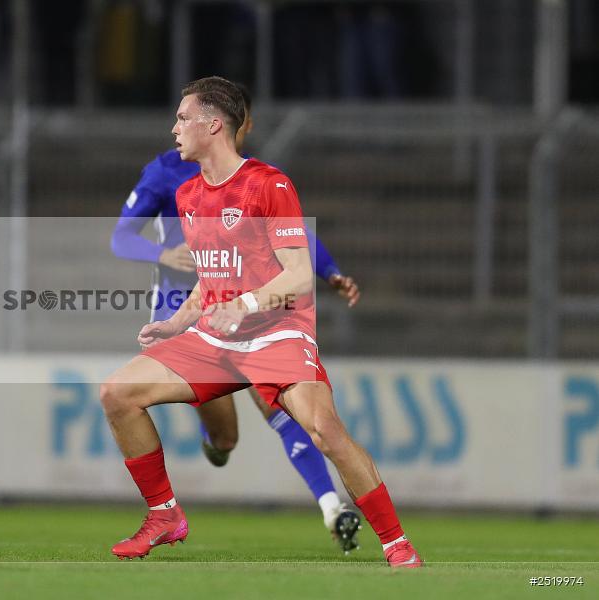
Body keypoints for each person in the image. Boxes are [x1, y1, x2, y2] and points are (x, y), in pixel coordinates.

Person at [100, 76, 421, 567]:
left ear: (213, 124)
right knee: (117, 393)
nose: (174, 128)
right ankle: (164, 515)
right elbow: (212, 277)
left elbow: (297, 276)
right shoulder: (188, 194)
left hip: (275, 330)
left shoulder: (268, 184)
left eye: (183, 118)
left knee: (324, 430)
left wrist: (246, 305)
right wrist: (177, 323)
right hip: (215, 335)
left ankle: (397, 543)